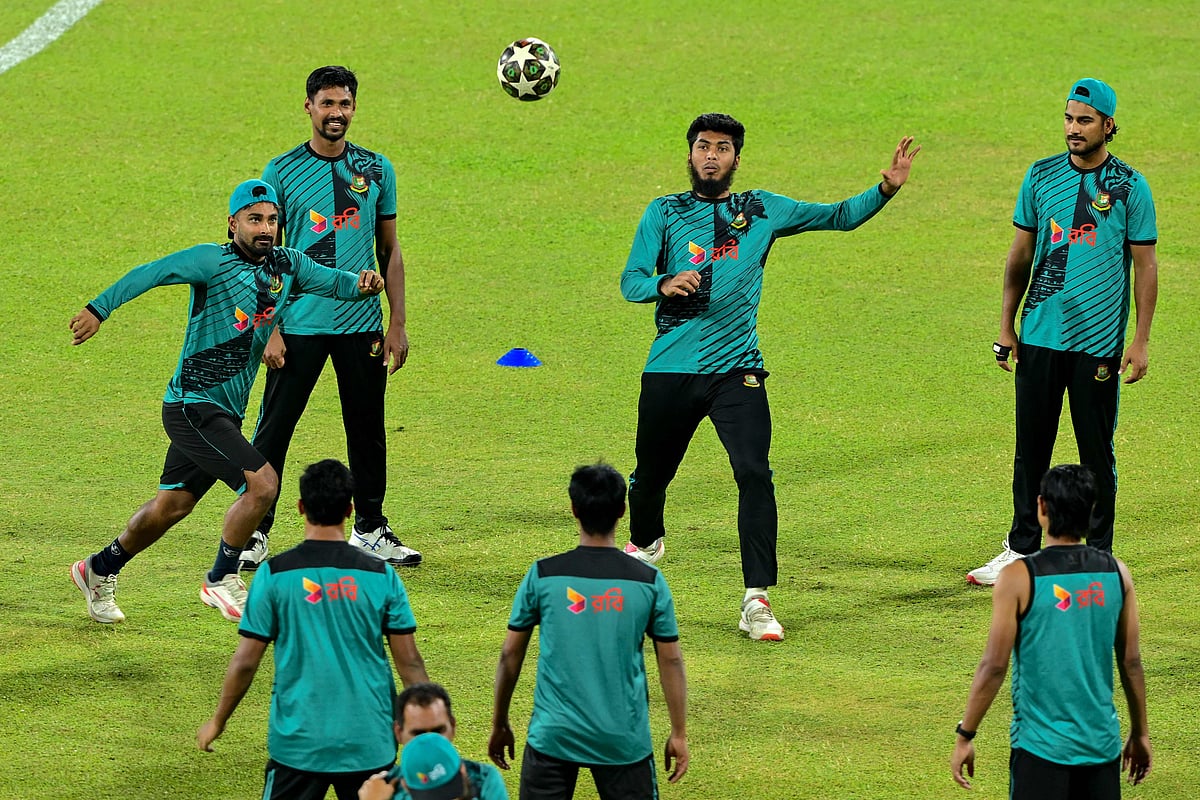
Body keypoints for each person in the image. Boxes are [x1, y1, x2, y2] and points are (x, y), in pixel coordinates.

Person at [619, 112, 921, 640]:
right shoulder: (663, 212)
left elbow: (839, 216)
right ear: (689, 154)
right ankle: (646, 543)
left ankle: (756, 599)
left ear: (736, 158)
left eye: (722, 148)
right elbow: (631, 281)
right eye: (702, 147)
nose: (711, 156)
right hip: (671, 367)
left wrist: (886, 189)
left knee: (754, 473)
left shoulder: (760, 209)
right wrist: (663, 282)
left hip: (738, 370)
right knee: (648, 480)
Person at [68, 180, 384, 624]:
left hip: (223, 414)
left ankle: (97, 569)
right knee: (263, 485)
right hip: (191, 405)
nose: (265, 228)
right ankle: (221, 577)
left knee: (172, 506)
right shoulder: (210, 262)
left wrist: (365, 283)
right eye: (255, 219)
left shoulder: (287, 265)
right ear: (233, 222)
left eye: (272, 219)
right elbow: (152, 273)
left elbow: (337, 283)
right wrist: (98, 309)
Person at [968, 78, 1158, 586]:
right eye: (1069, 119)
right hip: (1040, 337)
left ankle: (1097, 554)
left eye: (1085, 121)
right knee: (1030, 448)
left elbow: (1145, 267)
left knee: (1095, 451)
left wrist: (1139, 341)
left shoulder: (1128, 187)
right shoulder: (1041, 176)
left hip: (1096, 344)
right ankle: (1022, 548)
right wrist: (1007, 327)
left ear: (1109, 126)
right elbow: (1020, 258)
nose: (1074, 129)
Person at [239, 64, 420, 572]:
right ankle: (254, 531)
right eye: (326, 104)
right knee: (274, 430)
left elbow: (390, 250)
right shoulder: (280, 172)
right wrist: (269, 326)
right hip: (297, 325)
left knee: (367, 428)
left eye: (344, 104)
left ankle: (370, 528)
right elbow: (263, 256)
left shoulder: (377, 169)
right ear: (309, 107)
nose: (335, 113)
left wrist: (397, 322)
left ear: (354, 107)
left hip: (360, 323)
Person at [197, 458, 429, 800]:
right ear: (350, 510)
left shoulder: (274, 575)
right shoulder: (381, 576)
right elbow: (409, 663)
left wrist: (218, 720)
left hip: (299, 743)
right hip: (370, 741)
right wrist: (428, 731)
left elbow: (246, 661)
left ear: (301, 507)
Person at [488, 463, 688, 800]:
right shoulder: (649, 583)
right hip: (622, 738)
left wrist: (500, 722)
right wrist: (679, 732)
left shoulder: (543, 575)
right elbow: (670, 661)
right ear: (623, 511)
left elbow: (511, 654)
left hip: (553, 736)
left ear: (573, 509)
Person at [950, 464, 1150, 798]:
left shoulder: (1019, 578)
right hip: (1101, 747)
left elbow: (994, 666)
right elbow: (1131, 662)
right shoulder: (1117, 575)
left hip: (1040, 750)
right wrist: (1140, 734)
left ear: (1041, 507)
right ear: (1091, 511)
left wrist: (965, 734)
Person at [357, 683, 509, 800]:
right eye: (418, 733)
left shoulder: (483, 779)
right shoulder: (383, 789)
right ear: (399, 733)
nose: (430, 742)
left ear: (453, 727)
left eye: (438, 731)